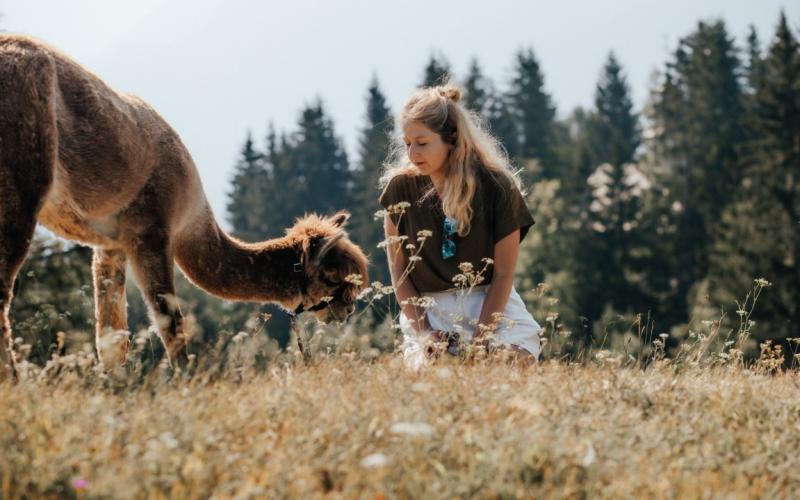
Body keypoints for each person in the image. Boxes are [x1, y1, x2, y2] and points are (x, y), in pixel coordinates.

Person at [378, 81, 541, 370]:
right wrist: (425, 332)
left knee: (512, 366)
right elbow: (399, 272)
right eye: (407, 144)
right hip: (428, 309)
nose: (413, 153)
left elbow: (503, 274)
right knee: (434, 380)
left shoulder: (497, 188)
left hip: (490, 303)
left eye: (423, 143)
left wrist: (480, 342)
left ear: (451, 139)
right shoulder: (399, 190)